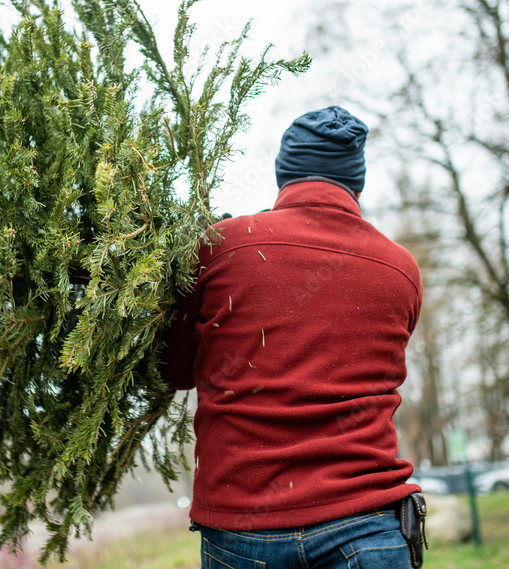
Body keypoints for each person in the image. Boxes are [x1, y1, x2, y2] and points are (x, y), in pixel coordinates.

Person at [161, 106, 426, 568]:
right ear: (357, 182)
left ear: (284, 173)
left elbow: (175, 370)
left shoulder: (221, 246)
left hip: (245, 526)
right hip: (368, 521)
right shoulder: (401, 269)